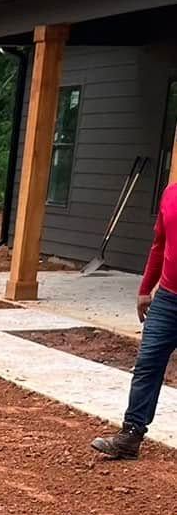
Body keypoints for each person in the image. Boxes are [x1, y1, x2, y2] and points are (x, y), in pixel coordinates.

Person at [92, 176, 177, 459]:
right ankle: (130, 435)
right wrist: (145, 289)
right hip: (167, 299)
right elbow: (159, 245)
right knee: (147, 364)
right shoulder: (170, 194)